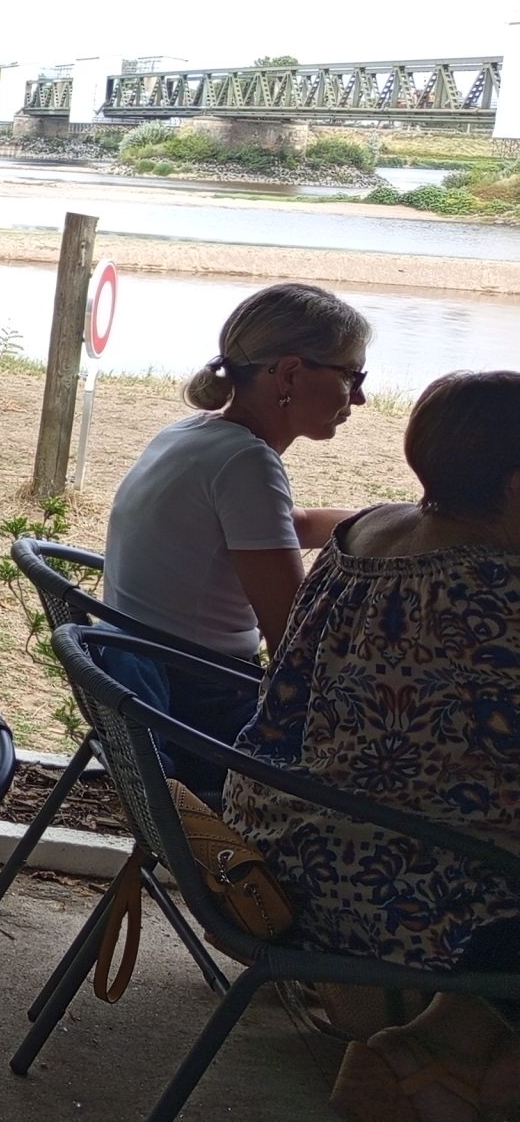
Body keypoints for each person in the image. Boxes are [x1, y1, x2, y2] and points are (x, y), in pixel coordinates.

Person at [223, 370, 520, 1122]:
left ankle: (441, 1078)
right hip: (387, 885)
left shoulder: (364, 534)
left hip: (281, 830)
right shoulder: (499, 594)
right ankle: (443, 1073)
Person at [101, 281, 368, 792]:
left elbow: (287, 525)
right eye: (350, 376)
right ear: (290, 373)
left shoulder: (194, 433)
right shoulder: (246, 463)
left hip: (150, 685)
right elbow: (293, 642)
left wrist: (391, 521)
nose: (359, 396)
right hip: (205, 715)